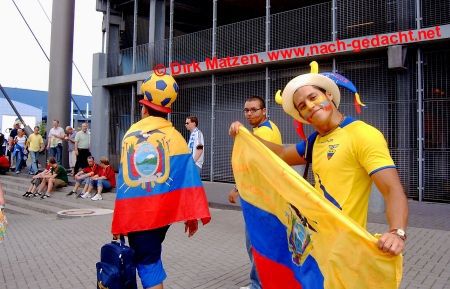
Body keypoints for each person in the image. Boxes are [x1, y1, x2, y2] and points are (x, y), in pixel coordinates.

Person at [229, 67, 408, 256]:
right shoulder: (315, 141)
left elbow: (392, 190)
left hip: (346, 248)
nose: (310, 106)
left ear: (329, 95)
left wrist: (397, 232)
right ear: (302, 116)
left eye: (313, 97)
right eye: (302, 106)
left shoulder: (363, 134)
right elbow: (281, 153)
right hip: (315, 245)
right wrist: (245, 136)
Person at [111, 73, 211, 289]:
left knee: (148, 264)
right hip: (163, 215)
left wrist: (119, 221)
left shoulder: (130, 135)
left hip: (138, 216)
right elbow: (188, 178)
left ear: (144, 109)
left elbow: (123, 184)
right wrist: (190, 216)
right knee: (149, 256)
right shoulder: (175, 137)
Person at [228, 96, 282, 289]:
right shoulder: (265, 128)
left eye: (254, 110)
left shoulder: (264, 133)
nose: (249, 113)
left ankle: (258, 284)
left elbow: (253, 166)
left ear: (264, 111)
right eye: (246, 110)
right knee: (262, 242)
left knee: (256, 243)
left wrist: (237, 188)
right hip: (263, 197)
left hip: (261, 199)